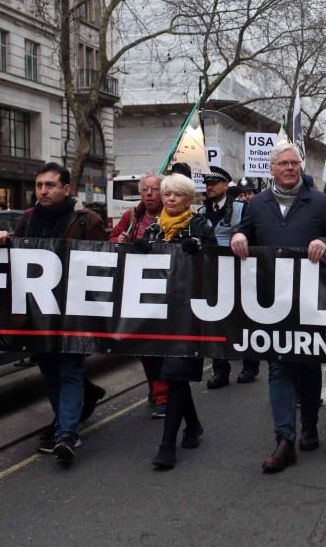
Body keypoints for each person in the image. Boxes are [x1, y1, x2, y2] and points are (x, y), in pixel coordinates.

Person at [230, 142, 326, 473]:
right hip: (271, 302)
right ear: (271, 169)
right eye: (283, 163)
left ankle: (309, 425)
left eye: (294, 163)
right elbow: (244, 233)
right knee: (279, 367)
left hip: (310, 302)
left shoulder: (321, 203)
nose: (289, 168)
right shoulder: (257, 205)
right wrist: (238, 237)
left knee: (308, 368)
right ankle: (284, 439)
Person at [7, 162, 106, 464]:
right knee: (50, 371)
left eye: (50, 185)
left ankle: (67, 434)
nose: (43, 191)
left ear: (67, 189)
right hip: (39, 312)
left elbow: (103, 266)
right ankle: (67, 420)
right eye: (39, 185)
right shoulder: (26, 219)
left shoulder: (88, 221)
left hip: (74, 312)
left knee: (70, 369)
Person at [143, 172, 217, 469]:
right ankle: (194, 425)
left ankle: (166, 446)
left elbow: (216, 263)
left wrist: (200, 251)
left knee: (175, 374)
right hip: (159, 313)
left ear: (189, 199)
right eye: (167, 194)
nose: (171, 199)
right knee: (174, 375)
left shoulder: (199, 226)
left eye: (177, 194)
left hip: (190, 314)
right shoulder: (153, 229)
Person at [109, 172, 170, 418]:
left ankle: (163, 394)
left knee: (162, 345)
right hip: (137, 291)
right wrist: (119, 239)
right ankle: (156, 387)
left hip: (165, 291)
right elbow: (112, 239)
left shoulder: (172, 215)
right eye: (144, 189)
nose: (148, 194)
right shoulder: (132, 217)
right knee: (144, 345)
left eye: (154, 189)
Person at [201, 166, 259, 388]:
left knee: (243, 319)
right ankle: (220, 370)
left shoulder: (241, 209)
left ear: (226, 185)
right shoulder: (200, 212)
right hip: (212, 273)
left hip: (238, 270)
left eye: (214, 183)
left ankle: (250, 364)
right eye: (207, 183)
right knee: (216, 322)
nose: (210, 187)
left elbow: (252, 235)